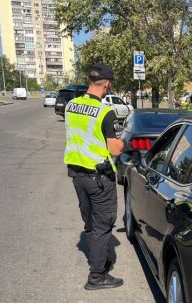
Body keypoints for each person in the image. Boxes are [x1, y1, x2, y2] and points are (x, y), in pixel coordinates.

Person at [64, 63, 126, 290]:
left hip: (77, 176)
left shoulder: (71, 105)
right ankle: (97, 277)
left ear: (90, 81)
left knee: (91, 223)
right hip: (99, 179)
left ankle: (99, 259)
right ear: (107, 84)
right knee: (103, 226)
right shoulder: (105, 112)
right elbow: (115, 149)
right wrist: (124, 140)